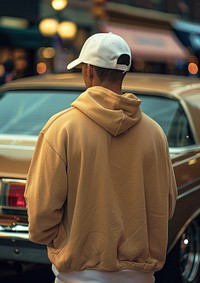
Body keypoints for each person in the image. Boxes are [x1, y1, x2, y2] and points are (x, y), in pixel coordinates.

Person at [24, 32, 177, 283]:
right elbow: (167, 205)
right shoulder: (155, 133)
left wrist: (60, 239)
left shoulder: (61, 128)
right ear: (123, 74)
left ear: (88, 72)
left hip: (78, 273)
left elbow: (41, 212)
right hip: (140, 274)